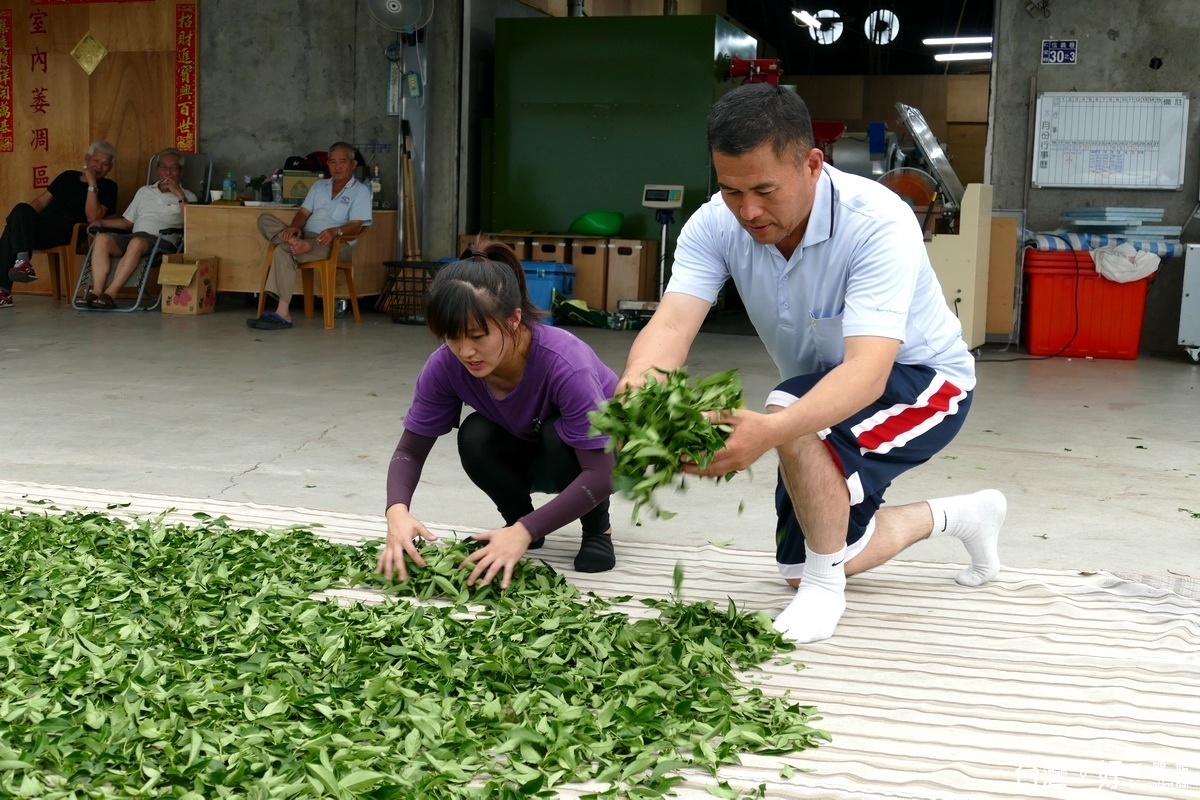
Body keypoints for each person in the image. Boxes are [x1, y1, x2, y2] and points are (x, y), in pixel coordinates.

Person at [617, 84, 1006, 644]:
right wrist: (639, 393)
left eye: (764, 190)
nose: (748, 210)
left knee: (789, 407)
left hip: (927, 384)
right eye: (730, 190)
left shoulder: (877, 221)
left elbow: (868, 371)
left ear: (812, 163)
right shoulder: (713, 224)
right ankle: (959, 515)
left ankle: (827, 594)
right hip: (823, 395)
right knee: (800, 565)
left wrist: (771, 432)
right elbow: (673, 325)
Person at [375, 240, 619, 590]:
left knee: (557, 432)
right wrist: (396, 510)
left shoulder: (565, 362)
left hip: (600, 459)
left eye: (477, 336)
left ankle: (598, 528)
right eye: (452, 338)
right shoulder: (445, 364)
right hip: (528, 447)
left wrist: (525, 532)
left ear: (514, 318)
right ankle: (518, 521)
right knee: (474, 433)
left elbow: (602, 472)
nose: (466, 351)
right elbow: (410, 450)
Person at [247, 141, 371, 330]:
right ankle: (298, 244)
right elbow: (303, 214)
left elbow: (355, 226)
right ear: (328, 164)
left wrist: (335, 231)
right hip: (306, 236)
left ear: (353, 164)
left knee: (283, 249)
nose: (337, 166)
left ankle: (283, 313)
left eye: (342, 161)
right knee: (264, 220)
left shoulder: (360, 191)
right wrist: (294, 229)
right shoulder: (319, 186)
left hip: (336, 243)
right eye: (332, 162)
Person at [0, 141, 118, 309]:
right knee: (20, 211)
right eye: (96, 161)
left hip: (68, 231)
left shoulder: (109, 187)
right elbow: (40, 202)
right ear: (87, 158)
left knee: (11, 232)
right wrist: (18, 221)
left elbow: (93, 217)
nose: (99, 166)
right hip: (42, 226)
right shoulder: (67, 176)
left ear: (110, 167)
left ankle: (5, 288)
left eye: (105, 163)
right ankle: (22, 262)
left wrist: (92, 185)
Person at [83, 148, 196, 309]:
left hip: (163, 243)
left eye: (173, 168)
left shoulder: (189, 197)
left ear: (181, 172)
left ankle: (111, 294)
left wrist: (178, 194)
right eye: (163, 167)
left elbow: (191, 224)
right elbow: (127, 223)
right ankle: (97, 292)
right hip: (135, 238)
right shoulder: (144, 191)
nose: (168, 172)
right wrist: (102, 223)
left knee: (136, 242)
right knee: (102, 239)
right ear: (158, 170)